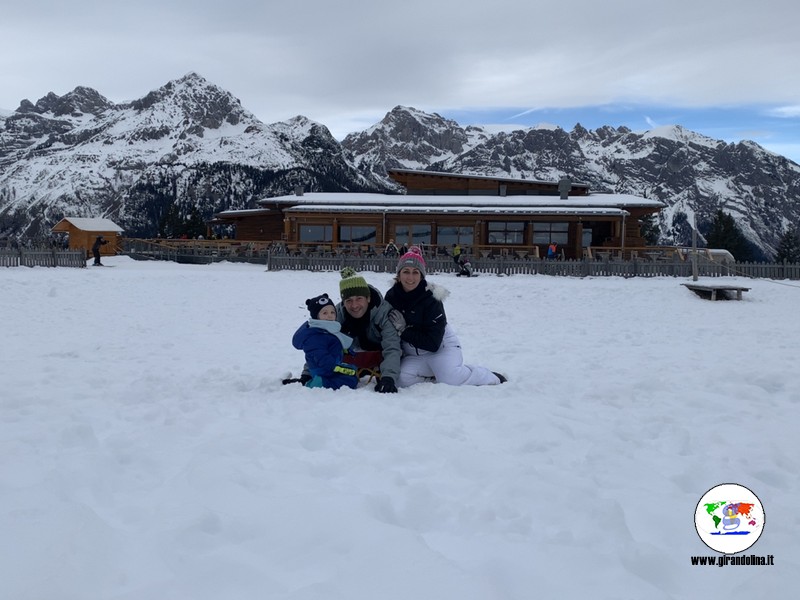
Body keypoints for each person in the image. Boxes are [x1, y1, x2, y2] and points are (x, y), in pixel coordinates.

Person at [385, 247, 506, 387]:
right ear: (399, 275)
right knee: (400, 379)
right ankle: (433, 378)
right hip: (413, 355)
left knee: (451, 379)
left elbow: (433, 343)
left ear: (422, 275)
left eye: (415, 272)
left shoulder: (432, 299)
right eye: (406, 272)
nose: (410, 277)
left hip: (442, 349)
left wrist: (404, 331)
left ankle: (487, 376)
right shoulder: (391, 297)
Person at [284, 268, 402, 393]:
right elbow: (318, 344)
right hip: (353, 357)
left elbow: (392, 347)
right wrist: (306, 375)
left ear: (367, 298)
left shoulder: (384, 313)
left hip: (379, 357)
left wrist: (388, 377)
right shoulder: (336, 315)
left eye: (359, 299)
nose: (354, 305)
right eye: (349, 300)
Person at [291, 293, 358, 390]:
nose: (330, 316)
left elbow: (333, 345)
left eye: (332, 312)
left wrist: (346, 351)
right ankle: (321, 383)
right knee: (350, 381)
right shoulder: (315, 335)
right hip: (323, 370)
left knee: (352, 377)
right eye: (325, 313)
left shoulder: (328, 330)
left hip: (329, 367)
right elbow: (320, 355)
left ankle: (323, 381)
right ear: (316, 316)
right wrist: (337, 367)